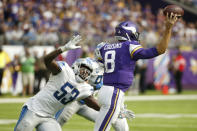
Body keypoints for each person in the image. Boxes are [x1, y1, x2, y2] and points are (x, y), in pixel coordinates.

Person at [94, 13, 179, 131]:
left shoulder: (103, 47)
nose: (136, 37)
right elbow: (160, 49)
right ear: (128, 34)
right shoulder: (129, 46)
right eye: (134, 34)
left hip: (108, 91)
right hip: (114, 93)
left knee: (123, 128)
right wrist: (168, 29)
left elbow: (99, 65)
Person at [14, 35, 100, 131]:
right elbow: (47, 60)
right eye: (83, 69)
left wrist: (113, 110)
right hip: (33, 109)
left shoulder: (85, 89)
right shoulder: (64, 71)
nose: (85, 73)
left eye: (88, 71)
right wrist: (63, 49)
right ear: (76, 66)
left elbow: (95, 105)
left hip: (49, 117)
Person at [55, 58, 135, 131]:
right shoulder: (88, 63)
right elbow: (76, 79)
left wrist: (118, 110)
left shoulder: (111, 72)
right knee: (55, 124)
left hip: (88, 104)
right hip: (74, 100)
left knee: (116, 119)